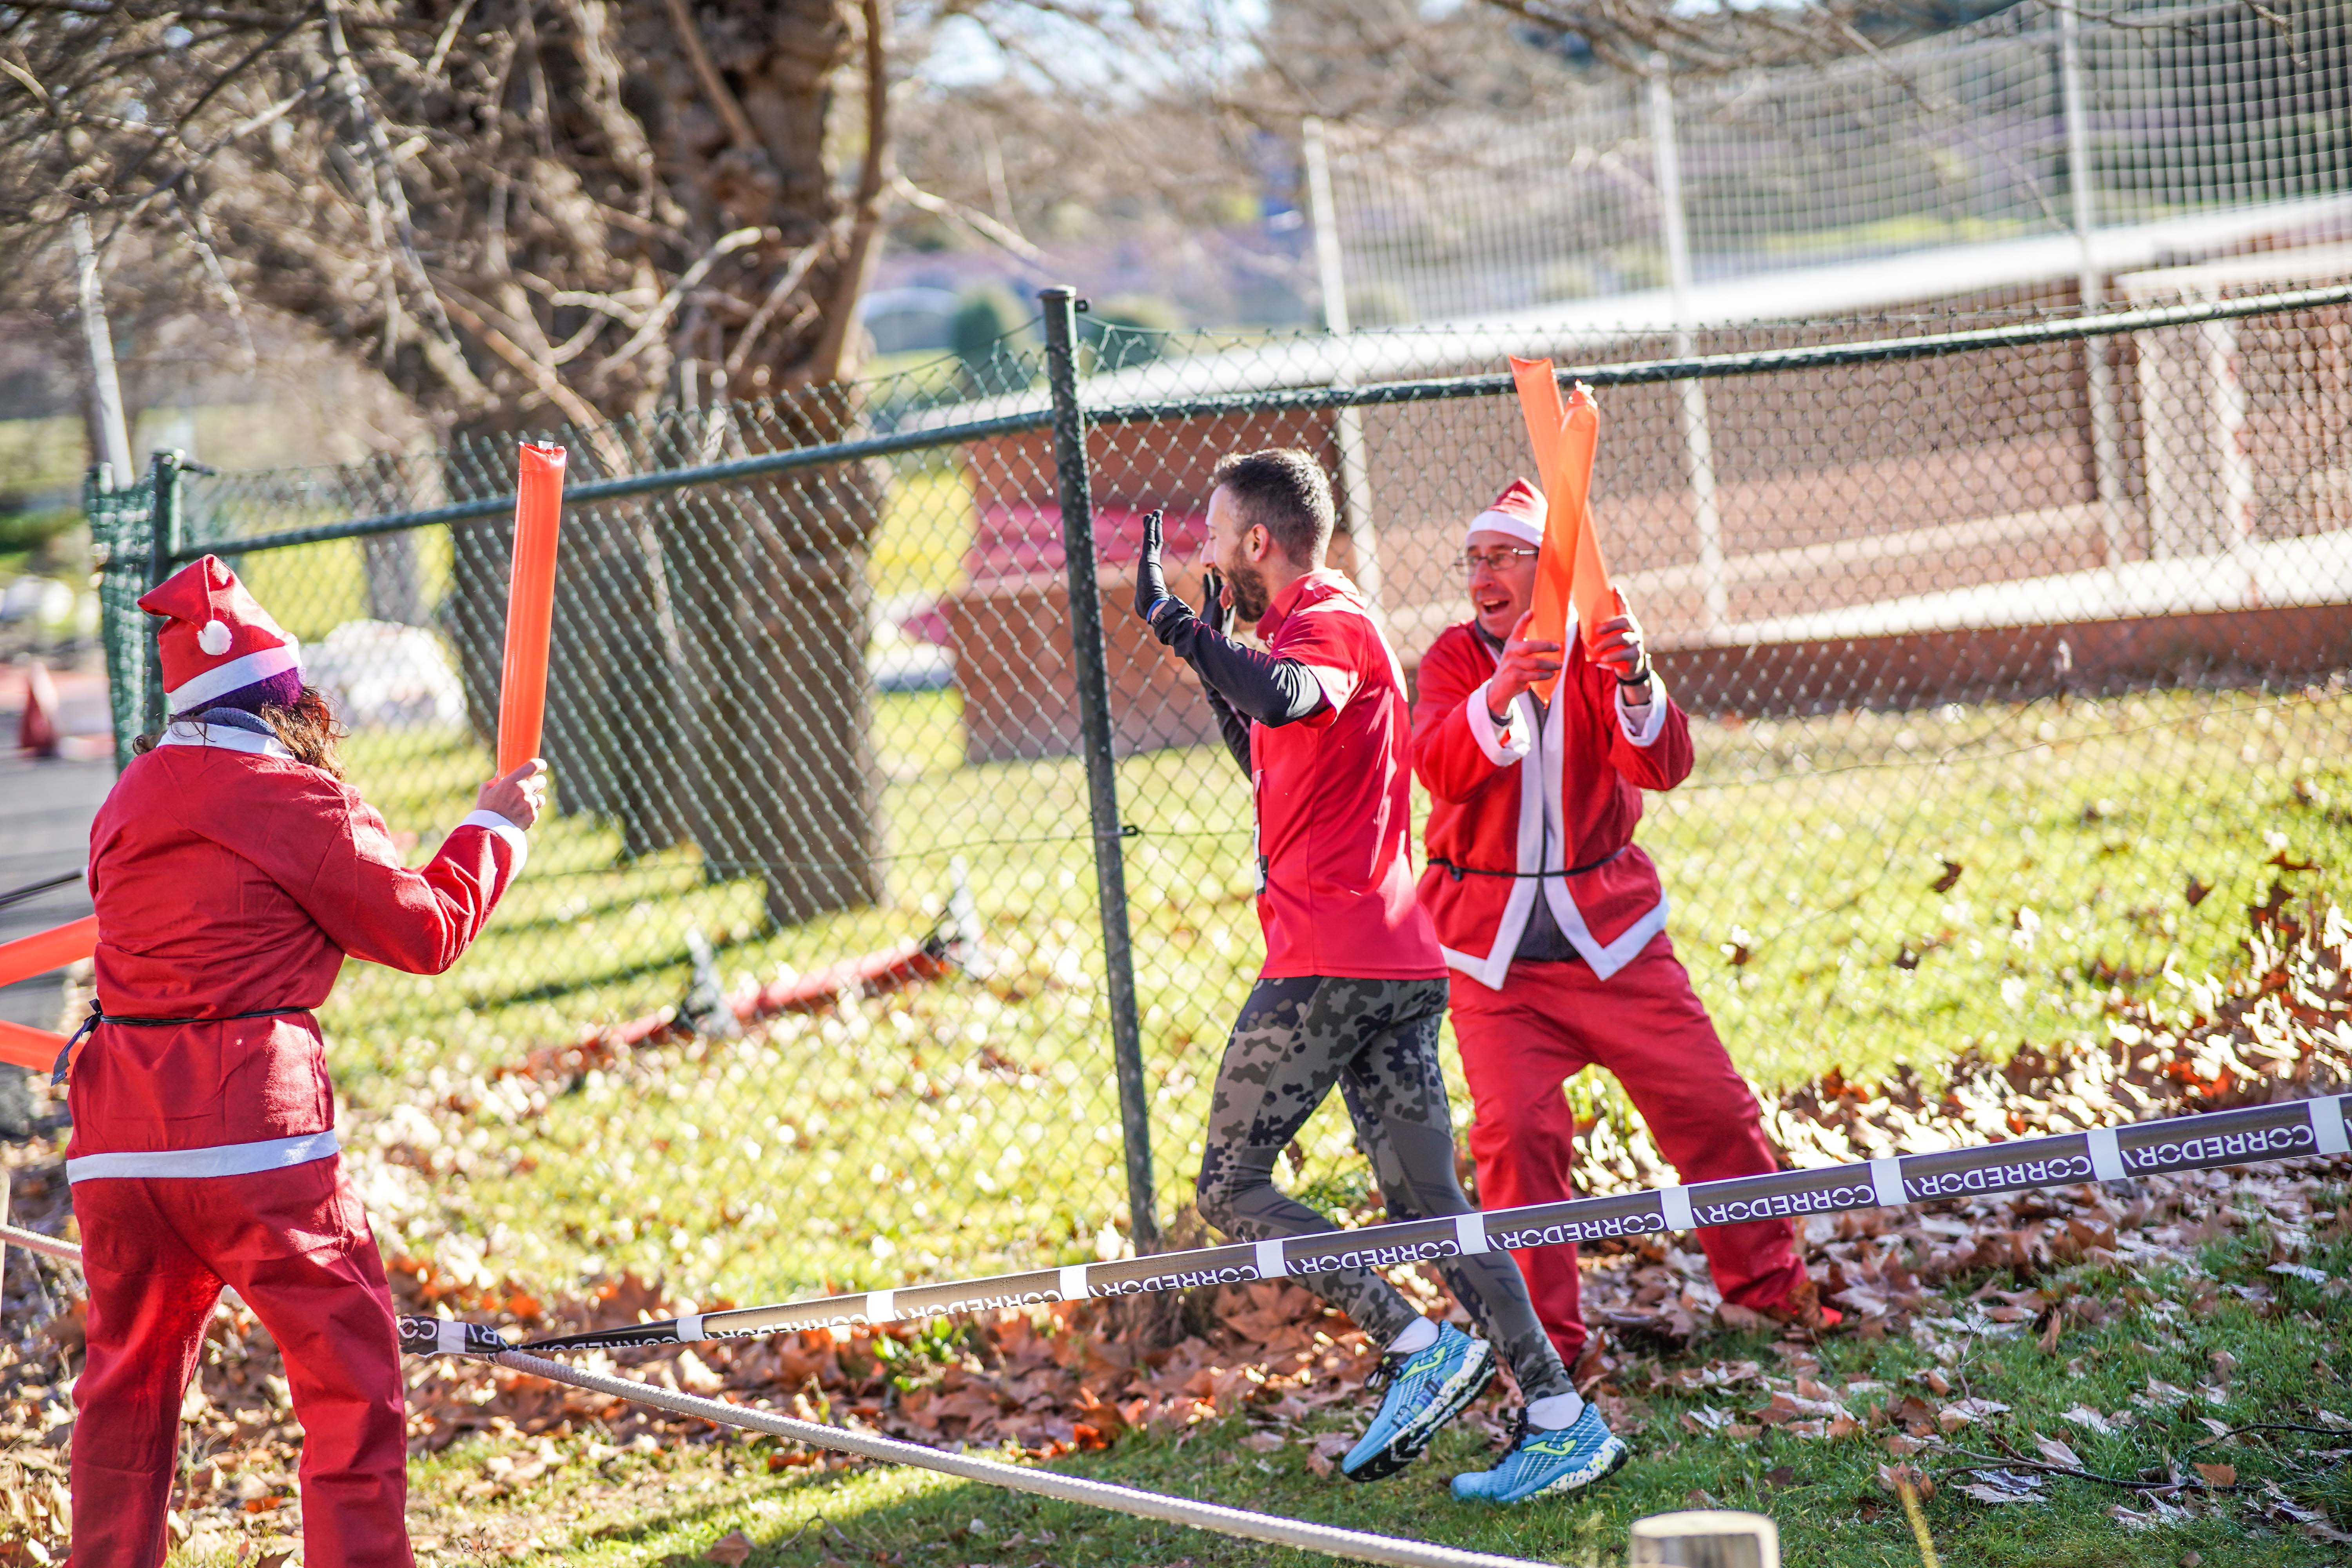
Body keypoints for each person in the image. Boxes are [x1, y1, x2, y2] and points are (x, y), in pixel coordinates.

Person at [1133, 450, 1628, 1504]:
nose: (1205, 554)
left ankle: (1413, 1344)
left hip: (1335, 960)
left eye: (1215, 535)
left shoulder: (1328, 626)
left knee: (1230, 1185)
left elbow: (1290, 691)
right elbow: (1263, 732)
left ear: (1257, 543)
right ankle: (1559, 1416)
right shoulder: (1294, 641)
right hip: (1392, 960)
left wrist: (1188, 631)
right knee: (1429, 1208)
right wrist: (1206, 648)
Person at [65, 555, 547, 1568]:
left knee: (124, 1391)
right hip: (254, 1135)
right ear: (282, 709)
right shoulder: (292, 799)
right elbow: (425, 931)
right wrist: (494, 826)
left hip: (115, 1145)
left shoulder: (128, 799)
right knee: (348, 1385)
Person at [1411, 479, 1837, 1380]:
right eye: (1473, 559)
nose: (1480, 574)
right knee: (1517, 1137)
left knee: (1714, 1107)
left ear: (1549, 568)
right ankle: (1548, 1348)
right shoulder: (1453, 658)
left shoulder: (1603, 641)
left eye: (1501, 557)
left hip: (1614, 940)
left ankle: (1768, 1289)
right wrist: (1501, 689)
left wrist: (1637, 674)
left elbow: (1665, 762)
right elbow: (1440, 770)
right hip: (1496, 962)